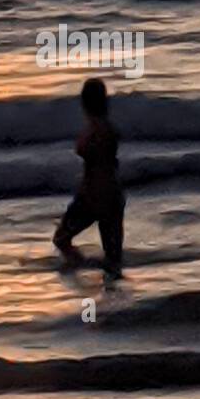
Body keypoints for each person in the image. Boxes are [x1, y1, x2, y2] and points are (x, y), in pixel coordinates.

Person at [53, 77, 125, 274]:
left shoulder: (99, 131)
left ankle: (79, 266)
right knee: (113, 256)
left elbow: (99, 164)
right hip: (110, 194)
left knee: (61, 239)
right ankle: (88, 269)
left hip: (95, 195)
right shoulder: (103, 128)